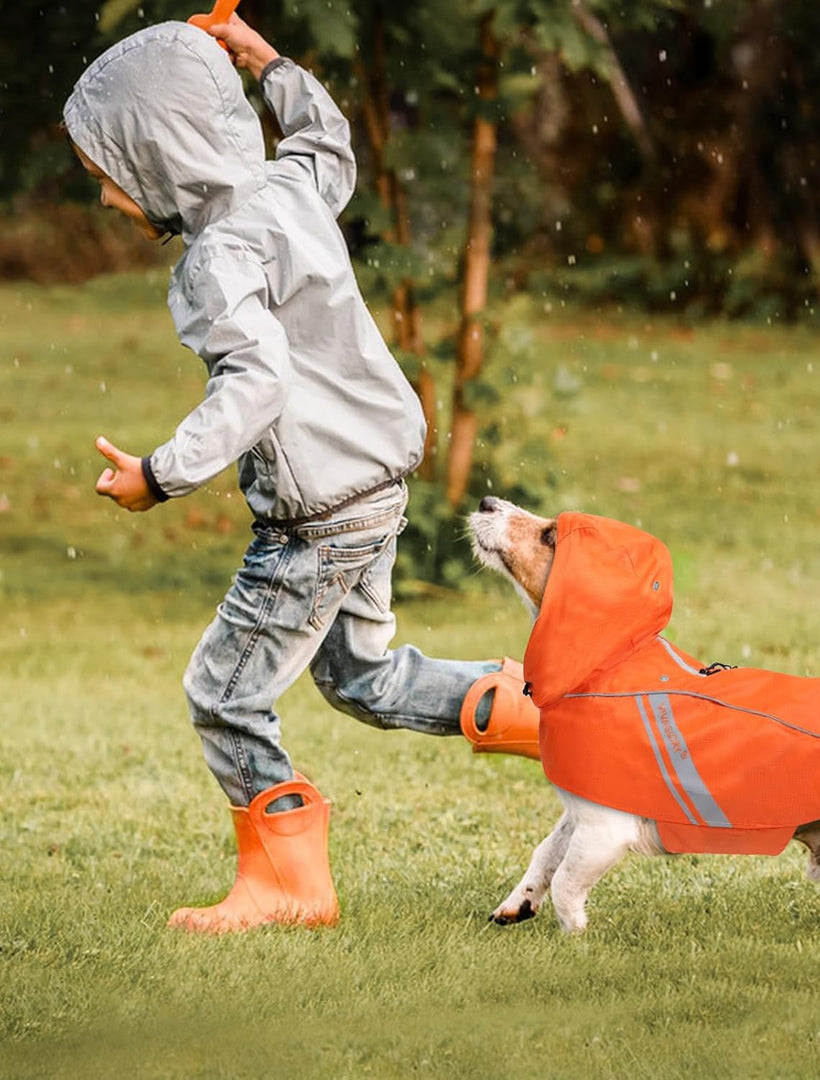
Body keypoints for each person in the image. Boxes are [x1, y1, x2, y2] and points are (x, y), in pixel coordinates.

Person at [64, 15, 539, 934]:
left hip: (317, 513)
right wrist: (263, 56)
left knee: (223, 689)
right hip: (374, 490)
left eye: (107, 178)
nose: (106, 200)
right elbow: (327, 139)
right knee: (364, 679)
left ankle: (288, 884)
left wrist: (160, 475)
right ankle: (534, 711)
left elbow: (258, 380)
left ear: (160, 159)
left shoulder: (216, 259)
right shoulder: (290, 189)